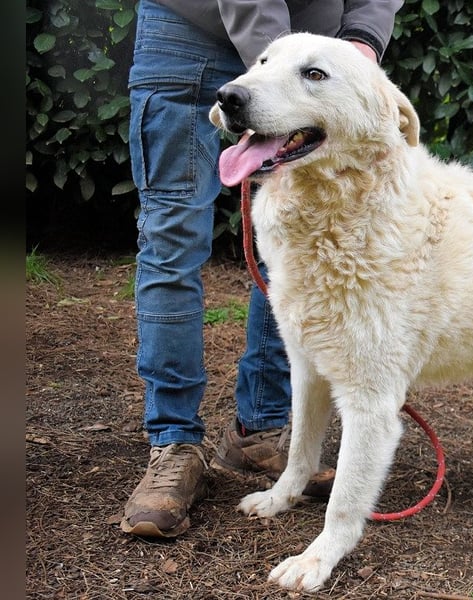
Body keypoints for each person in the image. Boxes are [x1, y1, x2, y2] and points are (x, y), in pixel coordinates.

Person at [121, 0, 404, 538]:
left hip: (316, 49)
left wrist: (360, 47)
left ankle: (262, 428)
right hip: (190, 29)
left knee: (300, 242)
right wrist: (271, 71)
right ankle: (174, 442)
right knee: (172, 240)